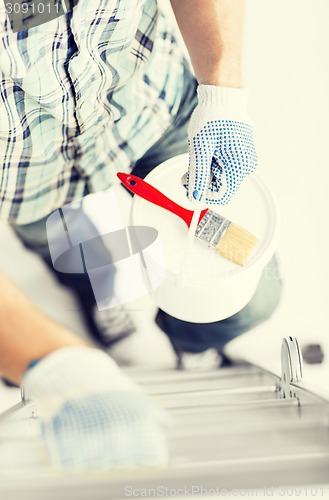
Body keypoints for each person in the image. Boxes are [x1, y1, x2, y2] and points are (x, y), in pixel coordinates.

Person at [0, 0, 282, 468]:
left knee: (254, 301)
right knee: (95, 269)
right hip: (30, 177)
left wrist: (223, 95)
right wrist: (54, 361)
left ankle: (192, 344)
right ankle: (101, 297)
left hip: (149, 105)